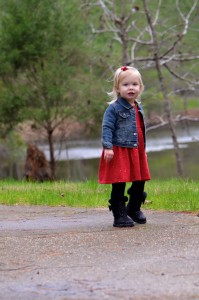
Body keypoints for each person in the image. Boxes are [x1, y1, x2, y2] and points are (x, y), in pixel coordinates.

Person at [98, 66, 151, 228]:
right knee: (119, 181)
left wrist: (143, 150)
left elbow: (140, 129)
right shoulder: (113, 108)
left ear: (140, 88)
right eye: (126, 84)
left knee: (140, 179)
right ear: (117, 88)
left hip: (136, 150)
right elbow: (107, 127)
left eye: (134, 84)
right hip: (119, 150)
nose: (131, 88)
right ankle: (119, 214)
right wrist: (107, 147)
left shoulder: (138, 107)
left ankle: (133, 208)